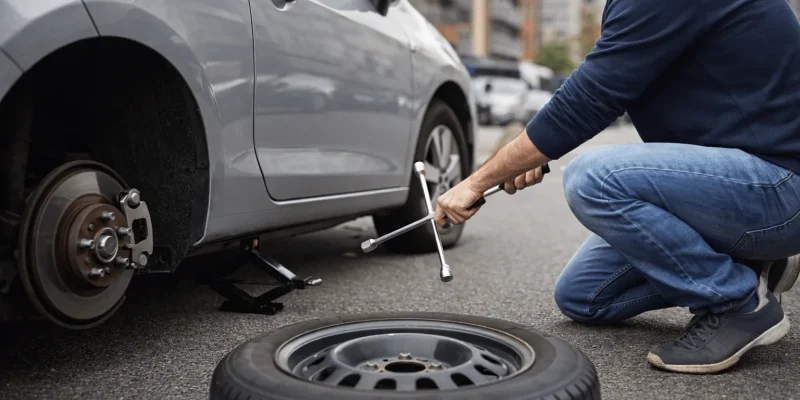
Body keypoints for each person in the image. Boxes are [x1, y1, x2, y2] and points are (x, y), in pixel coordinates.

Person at [434, 0, 800, 374]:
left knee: (594, 179)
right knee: (582, 297)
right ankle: (754, 262)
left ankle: (739, 303)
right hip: (742, 184)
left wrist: (477, 181)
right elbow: (604, 81)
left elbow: (589, 100)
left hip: (781, 183)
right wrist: (530, 152)